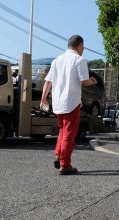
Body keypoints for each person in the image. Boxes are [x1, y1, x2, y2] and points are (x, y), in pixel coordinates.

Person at [40, 35, 97, 175]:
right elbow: (84, 81)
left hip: (58, 103)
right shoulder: (79, 59)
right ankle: (65, 165)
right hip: (71, 103)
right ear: (79, 46)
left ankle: (59, 156)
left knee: (62, 130)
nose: (83, 50)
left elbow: (48, 82)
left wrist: (43, 100)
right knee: (69, 134)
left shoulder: (56, 60)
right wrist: (93, 81)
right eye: (83, 47)